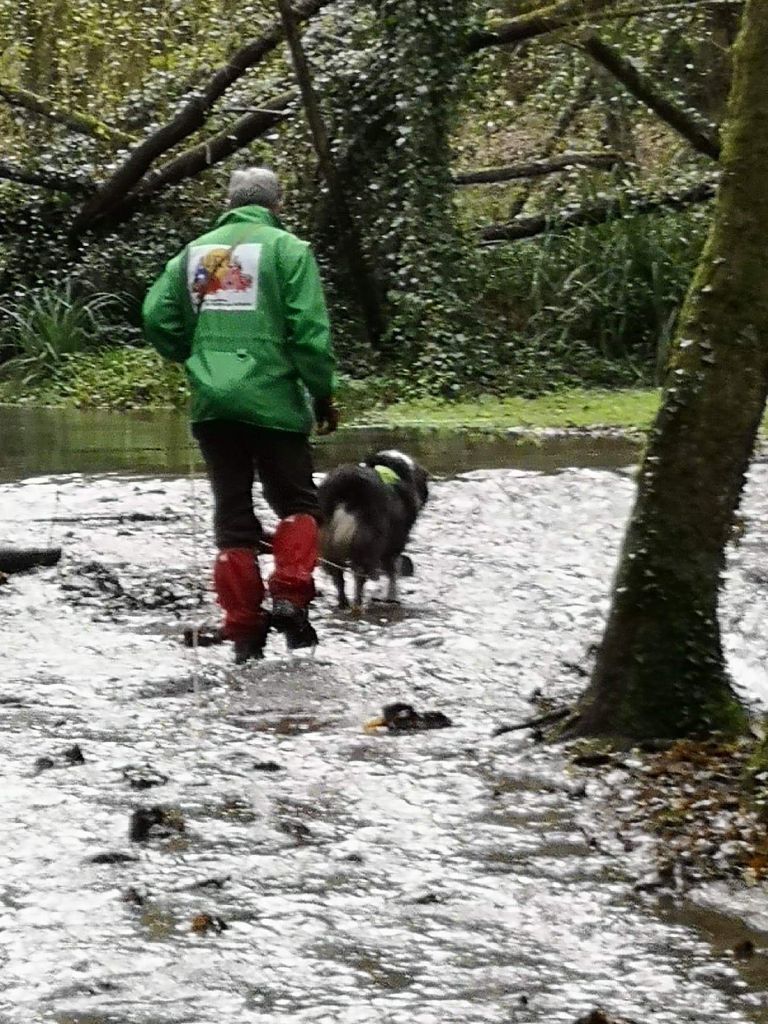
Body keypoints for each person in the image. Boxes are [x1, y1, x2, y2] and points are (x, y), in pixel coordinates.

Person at [142, 167, 339, 663]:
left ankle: (244, 628)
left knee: (232, 519)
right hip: (272, 399)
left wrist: (194, 353)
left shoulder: (197, 253)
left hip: (213, 405)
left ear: (229, 201)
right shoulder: (287, 250)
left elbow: (154, 317)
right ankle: (291, 597)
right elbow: (309, 334)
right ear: (277, 203)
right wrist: (322, 394)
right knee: (298, 503)